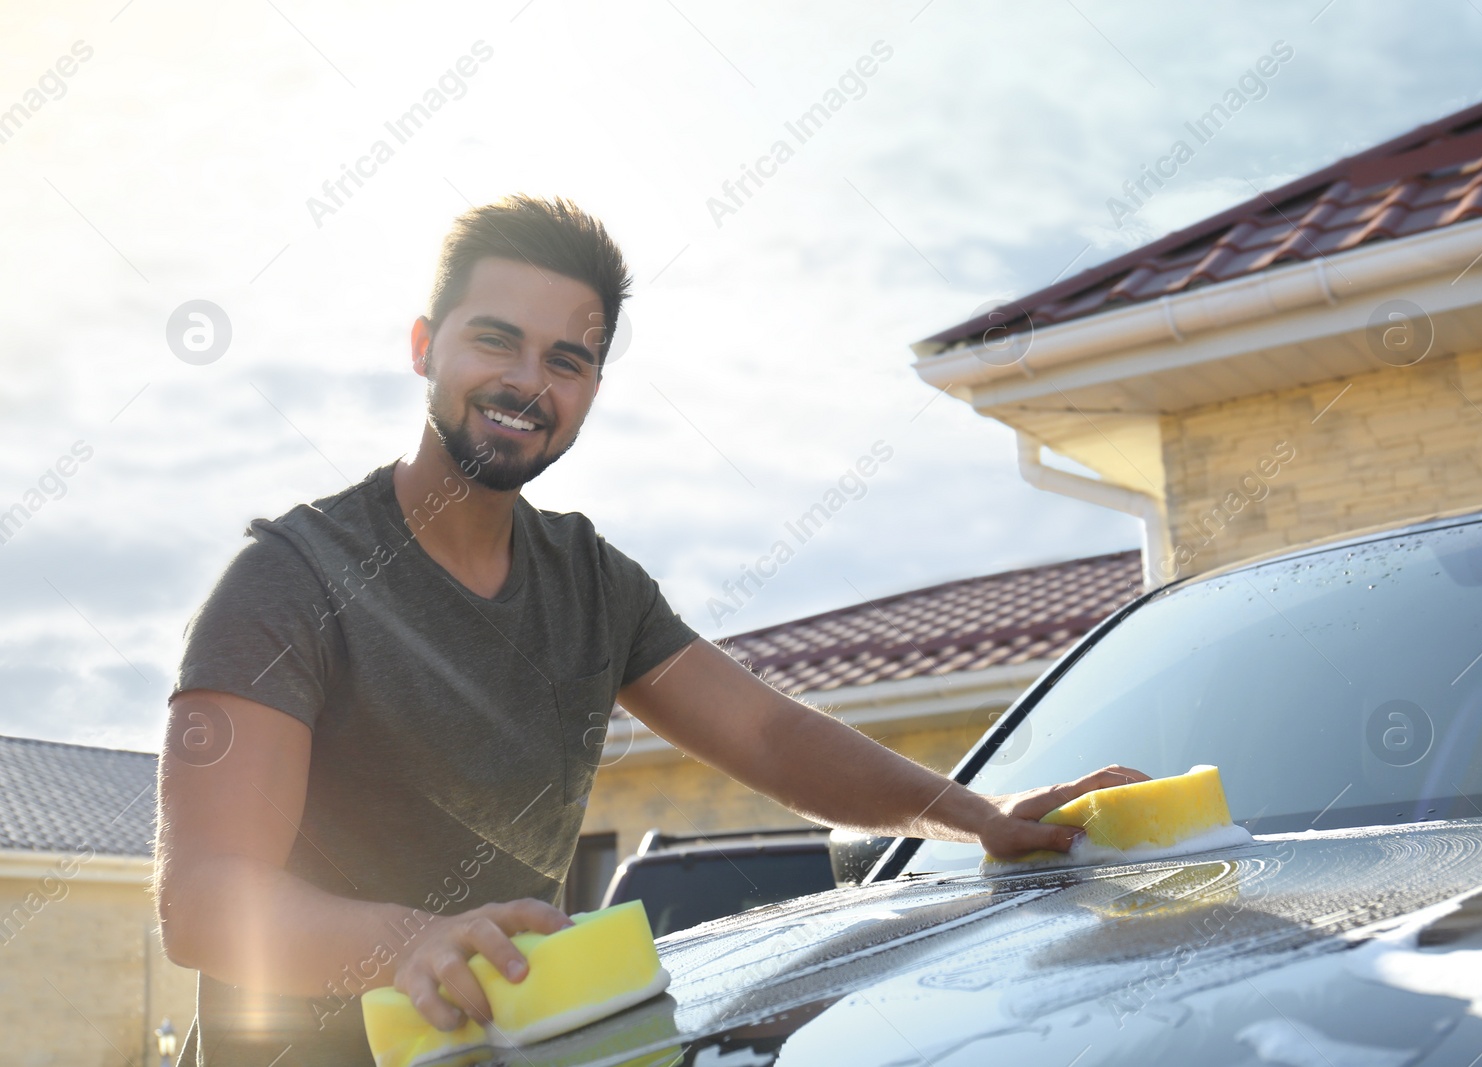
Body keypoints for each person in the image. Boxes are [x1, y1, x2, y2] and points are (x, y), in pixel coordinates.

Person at [155, 194, 1148, 1065]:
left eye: (567, 359)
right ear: (425, 346)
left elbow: (769, 735)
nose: (526, 383)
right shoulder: (285, 579)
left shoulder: (593, 583)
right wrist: (409, 939)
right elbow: (201, 899)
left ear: (589, 390)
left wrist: (980, 813)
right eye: (494, 339)